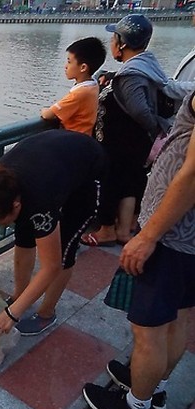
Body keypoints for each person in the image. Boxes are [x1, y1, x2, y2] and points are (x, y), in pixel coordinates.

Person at [83, 90, 195, 409]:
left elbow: (192, 175)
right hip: (186, 239)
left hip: (175, 234)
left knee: (150, 327)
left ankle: (137, 406)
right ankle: (154, 387)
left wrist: (148, 236)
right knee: (178, 317)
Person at [0, 129, 105, 336]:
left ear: (16, 206)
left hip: (87, 168)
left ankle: (47, 313)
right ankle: (20, 295)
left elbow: (51, 266)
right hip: (50, 160)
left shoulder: (39, 200)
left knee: (65, 248)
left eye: (1, 222)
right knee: (24, 235)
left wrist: (12, 315)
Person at [81, 15, 195, 247]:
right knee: (131, 182)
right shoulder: (147, 64)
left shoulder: (131, 74)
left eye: (114, 38)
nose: (111, 43)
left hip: (122, 143)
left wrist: (152, 128)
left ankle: (106, 230)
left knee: (112, 183)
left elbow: (140, 110)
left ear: (122, 43)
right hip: (135, 144)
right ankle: (125, 229)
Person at [40, 37, 106, 136]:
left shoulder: (79, 94)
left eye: (69, 62)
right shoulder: (93, 85)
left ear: (83, 67)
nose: (66, 66)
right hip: (85, 138)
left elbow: (47, 115)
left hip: (73, 140)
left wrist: (43, 110)